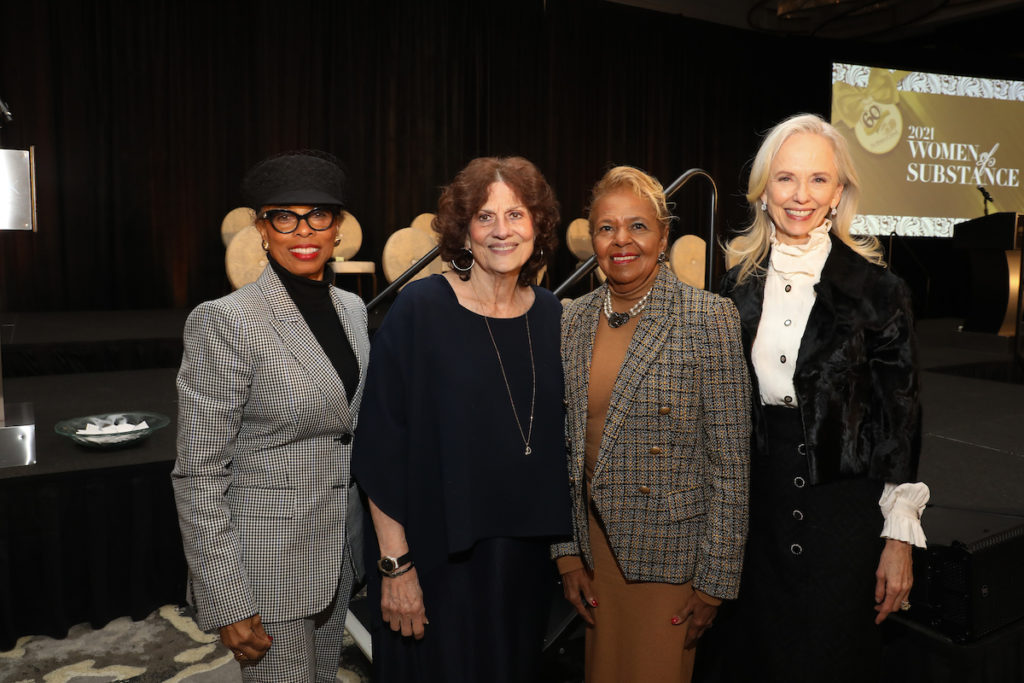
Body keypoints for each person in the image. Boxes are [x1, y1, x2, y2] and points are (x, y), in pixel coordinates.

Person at [696, 113, 928, 682]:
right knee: (754, 654)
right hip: (756, 506)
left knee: (832, 657)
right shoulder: (733, 286)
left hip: (843, 510)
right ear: (763, 191)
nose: (801, 196)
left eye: (818, 180)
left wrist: (898, 539)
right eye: (785, 179)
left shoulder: (880, 290)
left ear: (839, 193)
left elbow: (901, 418)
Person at [351, 156, 571, 683]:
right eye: (485, 217)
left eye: (516, 215)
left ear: (538, 226)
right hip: (433, 564)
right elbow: (379, 446)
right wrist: (395, 566)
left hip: (522, 569)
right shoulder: (420, 310)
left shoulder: (553, 315)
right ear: (463, 231)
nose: (502, 231)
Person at [172, 150, 369, 682]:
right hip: (265, 568)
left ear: (338, 229)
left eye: (318, 215)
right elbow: (199, 471)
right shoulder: (225, 322)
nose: (302, 230)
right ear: (262, 229)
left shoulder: (353, 311)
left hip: (336, 557)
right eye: (284, 216)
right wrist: (227, 598)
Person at [553, 166, 751, 683]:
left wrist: (715, 582)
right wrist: (566, 554)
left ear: (663, 236)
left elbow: (730, 463)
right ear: (592, 238)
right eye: (606, 227)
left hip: (670, 559)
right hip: (594, 553)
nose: (622, 241)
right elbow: (563, 447)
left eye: (638, 226)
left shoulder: (710, 318)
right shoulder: (572, 318)